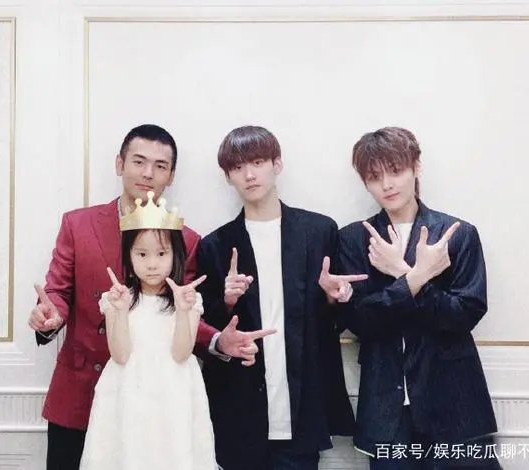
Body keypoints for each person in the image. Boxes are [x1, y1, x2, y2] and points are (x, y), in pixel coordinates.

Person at [28, 124, 274, 470]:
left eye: (160, 166)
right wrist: (50, 315)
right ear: (119, 164)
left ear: (170, 176)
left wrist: (218, 340)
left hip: (153, 406)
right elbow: (58, 290)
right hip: (81, 391)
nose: (148, 173)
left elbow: (180, 310)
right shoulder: (77, 224)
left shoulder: (187, 240)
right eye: (138, 161)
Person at [328, 126, 500, 469]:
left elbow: (464, 314)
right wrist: (414, 278)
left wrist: (400, 272)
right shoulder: (355, 239)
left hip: (454, 403)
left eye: (395, 170)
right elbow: (361, 321)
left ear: (416, 167)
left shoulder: (456, 234)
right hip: (386, 410)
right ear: (364, 182)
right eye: (375, 177)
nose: (387, 184)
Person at [196, 125, 367, 470]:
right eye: (237, 167)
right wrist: (226, 302)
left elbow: (335, 320)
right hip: (238, 409)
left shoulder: (319, 231)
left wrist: (334, 296)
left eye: (258, 162)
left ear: (277, 164)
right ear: (228, 176)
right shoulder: (215, 245)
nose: (249, 174)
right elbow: (206, 333)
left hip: (303, 408)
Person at [79, 192, 219, 470]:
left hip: (174, 393)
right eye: (141, 254)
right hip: (127, 393)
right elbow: (120, 355)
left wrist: (183, 310)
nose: (152, 263)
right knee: (127, 453)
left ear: (175, 255)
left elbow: (181, 354)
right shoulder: (116, 299)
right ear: (129, 256)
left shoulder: (188, 300)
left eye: (162, 253)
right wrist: (119, 311)